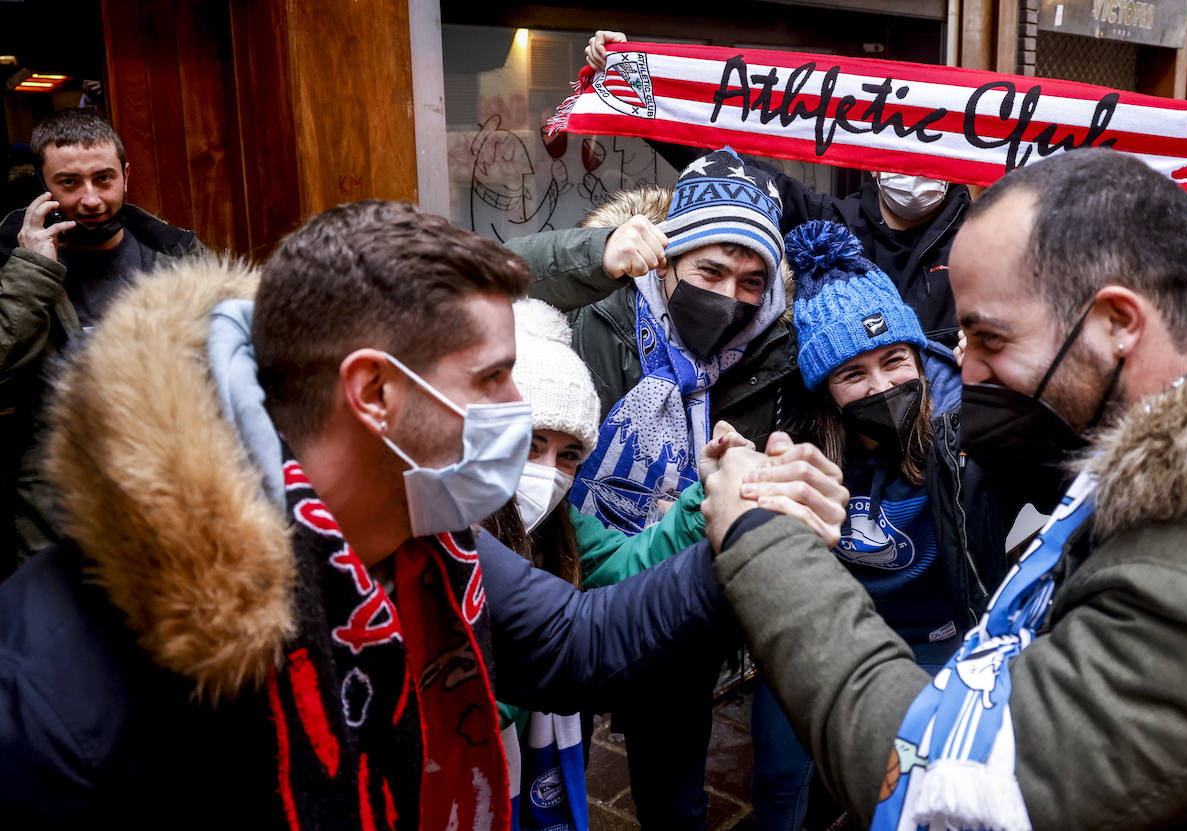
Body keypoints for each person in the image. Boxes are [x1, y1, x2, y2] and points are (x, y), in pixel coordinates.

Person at [0, 200, 847, 828]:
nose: (516, 408)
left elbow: (577, 640)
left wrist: (740, 526)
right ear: (374, 392)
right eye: (492, 378)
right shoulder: (55, 681)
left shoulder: (423, 527)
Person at [702, 148, 1187, 829]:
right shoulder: (1164, 450)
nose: (963, 371)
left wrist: (761, 540)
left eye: (989, 339)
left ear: (1118, 324)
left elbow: (943, 787)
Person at [584, 30, 1187, 349]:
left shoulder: (993, 243)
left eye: (930, 150)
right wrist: (634, 83)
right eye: (898, 149)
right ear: (870, 155)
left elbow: (1109, 218)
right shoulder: (822, 221)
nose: (913, 166)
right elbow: (718, 157)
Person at [519, 147, 806, 830]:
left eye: (752, 281)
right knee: (543, 775)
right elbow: (485, 274)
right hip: (567, 575)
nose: (730, 296)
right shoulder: (597, 310)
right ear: (666, 259)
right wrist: (594, 255)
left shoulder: (776, 354)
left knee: (674, 799)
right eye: (710, 271)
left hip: (676, 609)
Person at [746, 219, 1007, 830]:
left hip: (935, 639)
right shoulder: (798, 439)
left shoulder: (968, 427)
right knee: (778, 772)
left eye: (894, 361)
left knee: (913, 790)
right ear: (824, 389)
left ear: (917, 356)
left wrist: (1004, 395)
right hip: (825, 630)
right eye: (853, 374)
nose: (882, 386)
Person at [486, 297, 728, 831]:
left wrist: (704, 501)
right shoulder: (448, 532)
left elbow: (627, 564)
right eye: (531, 444)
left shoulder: (561, 525)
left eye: (569, 455)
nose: (548, 471)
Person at [0, 109, 206, 575]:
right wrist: (32, 270)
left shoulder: (175, 253)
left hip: (163, 488)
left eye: (104, 179)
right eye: (69, 183)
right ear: (42, 185)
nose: (91, 199)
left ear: (126, 175)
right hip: (55, 497)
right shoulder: (9, 260)